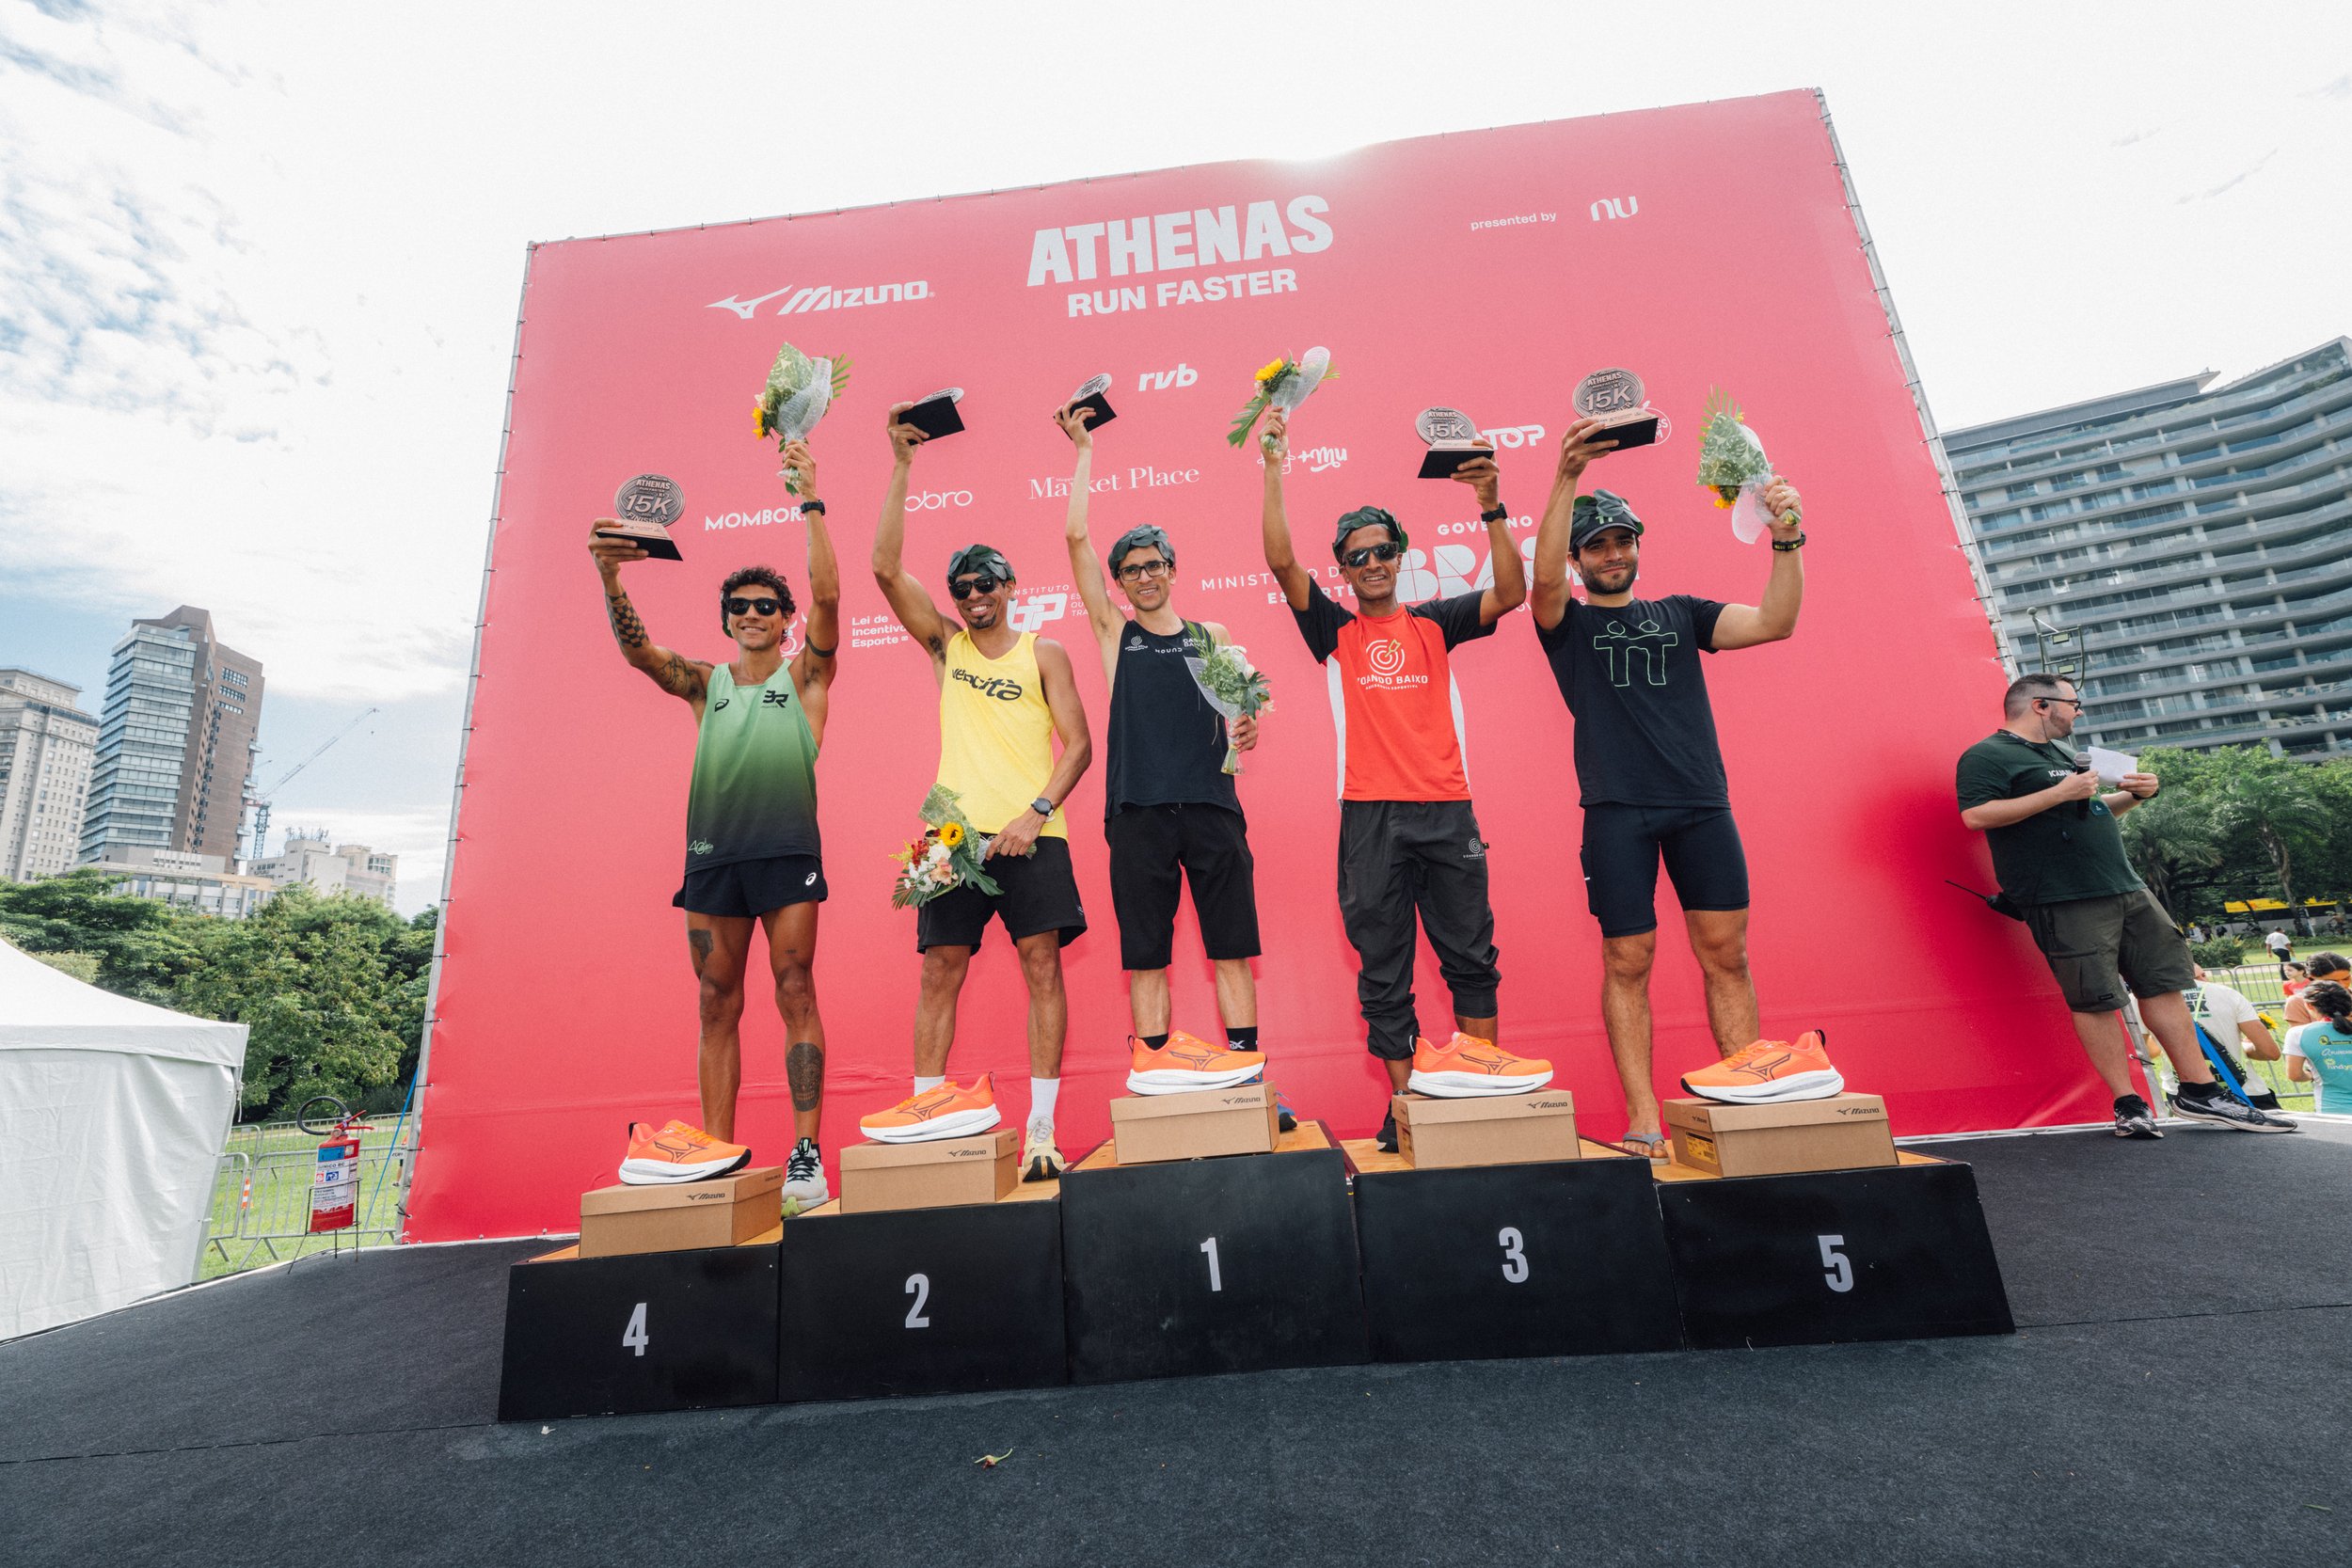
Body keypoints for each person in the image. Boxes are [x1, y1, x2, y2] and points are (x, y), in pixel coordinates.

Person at [1526, 417, 1832, 1152]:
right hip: (1616, 810)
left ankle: (1748, 1099)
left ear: (1637, 545)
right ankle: (1642, 1119)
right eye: (1596, 545)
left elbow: (1776, 621)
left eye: (1622, 540)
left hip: (1700, 804)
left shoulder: (1682, 614)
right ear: (1577, 558)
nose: (1612, 553)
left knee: (1727, 954)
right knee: (1627, 960)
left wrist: (1787, 538)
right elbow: (1540, 581)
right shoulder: (1565, 623)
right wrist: (1566, 474)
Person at [1255, 406, 1551, 1152]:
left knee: (1471, 961)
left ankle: (1477, 1092)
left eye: (1384, 550)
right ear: (1344, 570)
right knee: (1384, 974)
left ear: (1400, 556)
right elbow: (1282, 564)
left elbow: (1511, 591)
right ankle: (1409, 1108)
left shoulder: (1436, 622)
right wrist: (1273, 466)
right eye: (1357, 556)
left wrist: (1491, 506)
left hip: (1448, 812)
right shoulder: (1336, 632)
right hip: (1371, 820)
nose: (1373, 563)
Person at [587, 438, 840, 1205]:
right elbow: (640, 653)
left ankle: (805, 1154)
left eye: (767, 605)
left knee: (794, 988)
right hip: (714, 856)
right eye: (739, 606)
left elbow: (830, 598)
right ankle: (719, 1154)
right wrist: (609, 574)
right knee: (714, 999)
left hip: (785, 850)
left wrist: (811, 499)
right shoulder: (705, 683)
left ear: (787, 619)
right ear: (726, 619)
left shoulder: (808, 675)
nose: (752, 613)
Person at [862, 402, 1093, 1180]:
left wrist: (1036, 812)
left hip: (1033, 834)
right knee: (937, 970)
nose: (973, 594)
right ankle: (927, 1116)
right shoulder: (945, 645)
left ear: (1010, 585)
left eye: (986, 582)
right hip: (950, 835)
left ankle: (1041, 1130)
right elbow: (884, 569)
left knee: (1041, 967)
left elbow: (1080, 746)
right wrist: (902, 464)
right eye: (962, 587)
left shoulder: (1044, 652)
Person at [1054, 402, 1277, 1109]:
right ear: (1119, 583)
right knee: (1146, 952)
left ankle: (1247, 1077)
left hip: (1213, 808)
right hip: (1138, 813)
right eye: (1131, 571)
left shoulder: (1213, 635)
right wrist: (1084, 451)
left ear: (1173, 570)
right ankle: (1154, 1082)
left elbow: (1239, 715)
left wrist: (1247, 729)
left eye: (1154, 565)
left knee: (1231, 947)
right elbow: (1075, 535)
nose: (1144, 577)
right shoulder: (1115, 634)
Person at [1956, 673, 2296, 1136]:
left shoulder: (2063, 752)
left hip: (2125, 886)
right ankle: (2128, 1104)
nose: (2079, 711)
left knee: (2165, 986)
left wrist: (2135, 795)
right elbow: (1976, 815)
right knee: (2094, 999)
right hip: (2061, 896)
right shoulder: (1987, 755)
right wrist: (2060, 792)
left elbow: (2089, 811)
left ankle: (2200, 1092)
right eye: (2073, 703)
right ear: (2040, 705)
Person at [2283, 979, 2352, 1114]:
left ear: (2309, 1005)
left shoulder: (2298, 1034)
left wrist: (2310, 1075)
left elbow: (2294, 1075)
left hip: (2332, 1110)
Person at [2284, 953, 2351, 1027]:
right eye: (2332, 981)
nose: (2342, 985)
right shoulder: (2297, 1002)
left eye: (2346, 979)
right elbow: (2301, 1033)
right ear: (2312, 978)